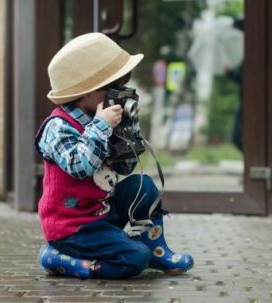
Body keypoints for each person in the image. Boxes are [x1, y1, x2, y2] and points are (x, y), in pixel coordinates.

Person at [35, 33, 193, 279]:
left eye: (121, 86)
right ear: (84, 92)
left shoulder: (104, 119)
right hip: (73, 229)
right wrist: (101, 126)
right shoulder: (57, 127)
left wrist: (129, 127)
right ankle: (61, 259)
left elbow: (126, 168)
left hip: (102, 211)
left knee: (144, 186)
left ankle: (155, 249)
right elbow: (80, 167)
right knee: (134, 258)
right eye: (112, 88)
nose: (117, 94)